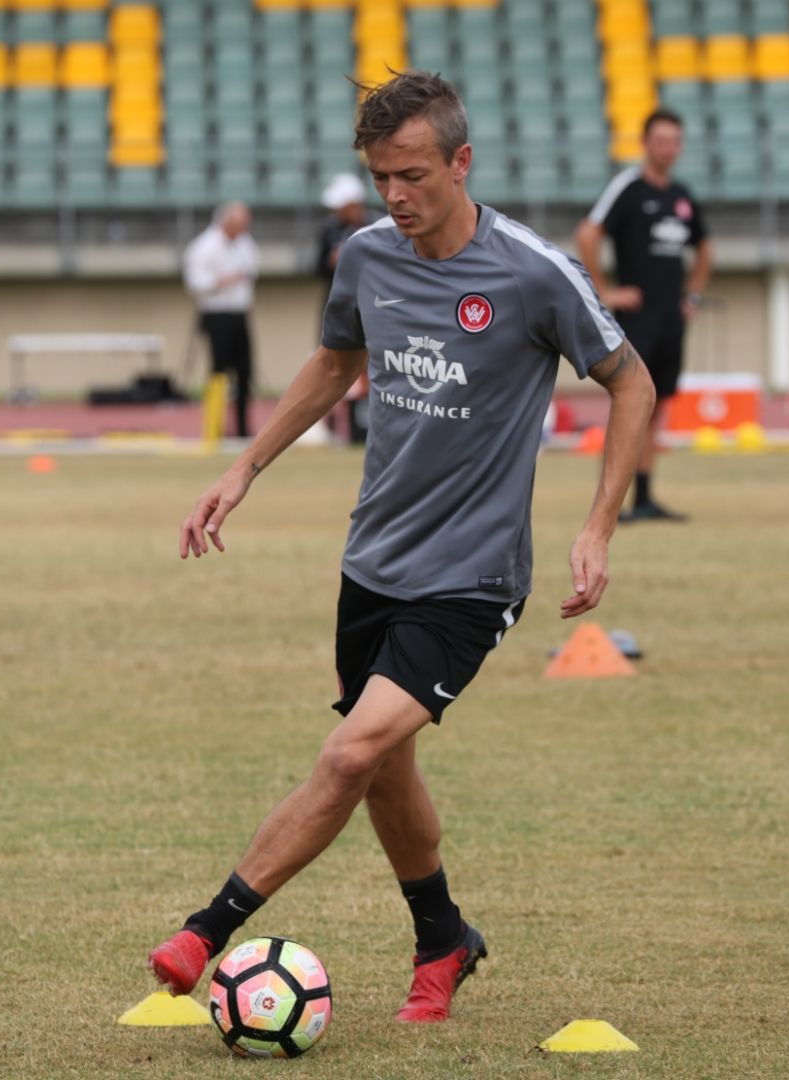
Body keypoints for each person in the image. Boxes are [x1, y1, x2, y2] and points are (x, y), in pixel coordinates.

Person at [147, 70, 654, 1024]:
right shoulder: (367, 257)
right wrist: (244, 468)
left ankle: (204, 932)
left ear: (462, 163)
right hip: (372, 561)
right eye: (381, 176)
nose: (394, 195)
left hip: (472, 578)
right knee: (385, 766)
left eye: (412, 174)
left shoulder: (533, 272)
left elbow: (633, 383)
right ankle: (443, 938)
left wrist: (598, 525)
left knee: (349, 755)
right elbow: (337, 360)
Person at [577, 108, 714, 522]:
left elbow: (704, 248)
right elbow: (587, 233)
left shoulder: (682, 196)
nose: (667, 148)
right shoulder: (628, 188)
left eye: (674, 141)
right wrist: (605, 291)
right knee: (627, 403)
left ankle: (645, 498)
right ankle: (610, 504)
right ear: (645, 143)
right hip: (636, 319)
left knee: (655, 405)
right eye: (661, 140)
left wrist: (693, 296)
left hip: (671, 318)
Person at [184, 201, 261, 439]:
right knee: (218, 372)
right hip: (216, 314)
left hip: (240, 313)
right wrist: (223, 281)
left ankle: (242, 428)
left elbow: (251, 271)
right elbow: (195, 283)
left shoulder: (246, 243)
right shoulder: (203, 247)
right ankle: (214, 427)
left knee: (245, 372)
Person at [316, 174, 377, 445]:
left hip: (372, 304)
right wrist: (332, 262)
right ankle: (330, 423)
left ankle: (369, 423)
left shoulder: (378, 226)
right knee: (330, 361)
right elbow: (316, 269)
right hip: (338, 306)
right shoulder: (329, 230)